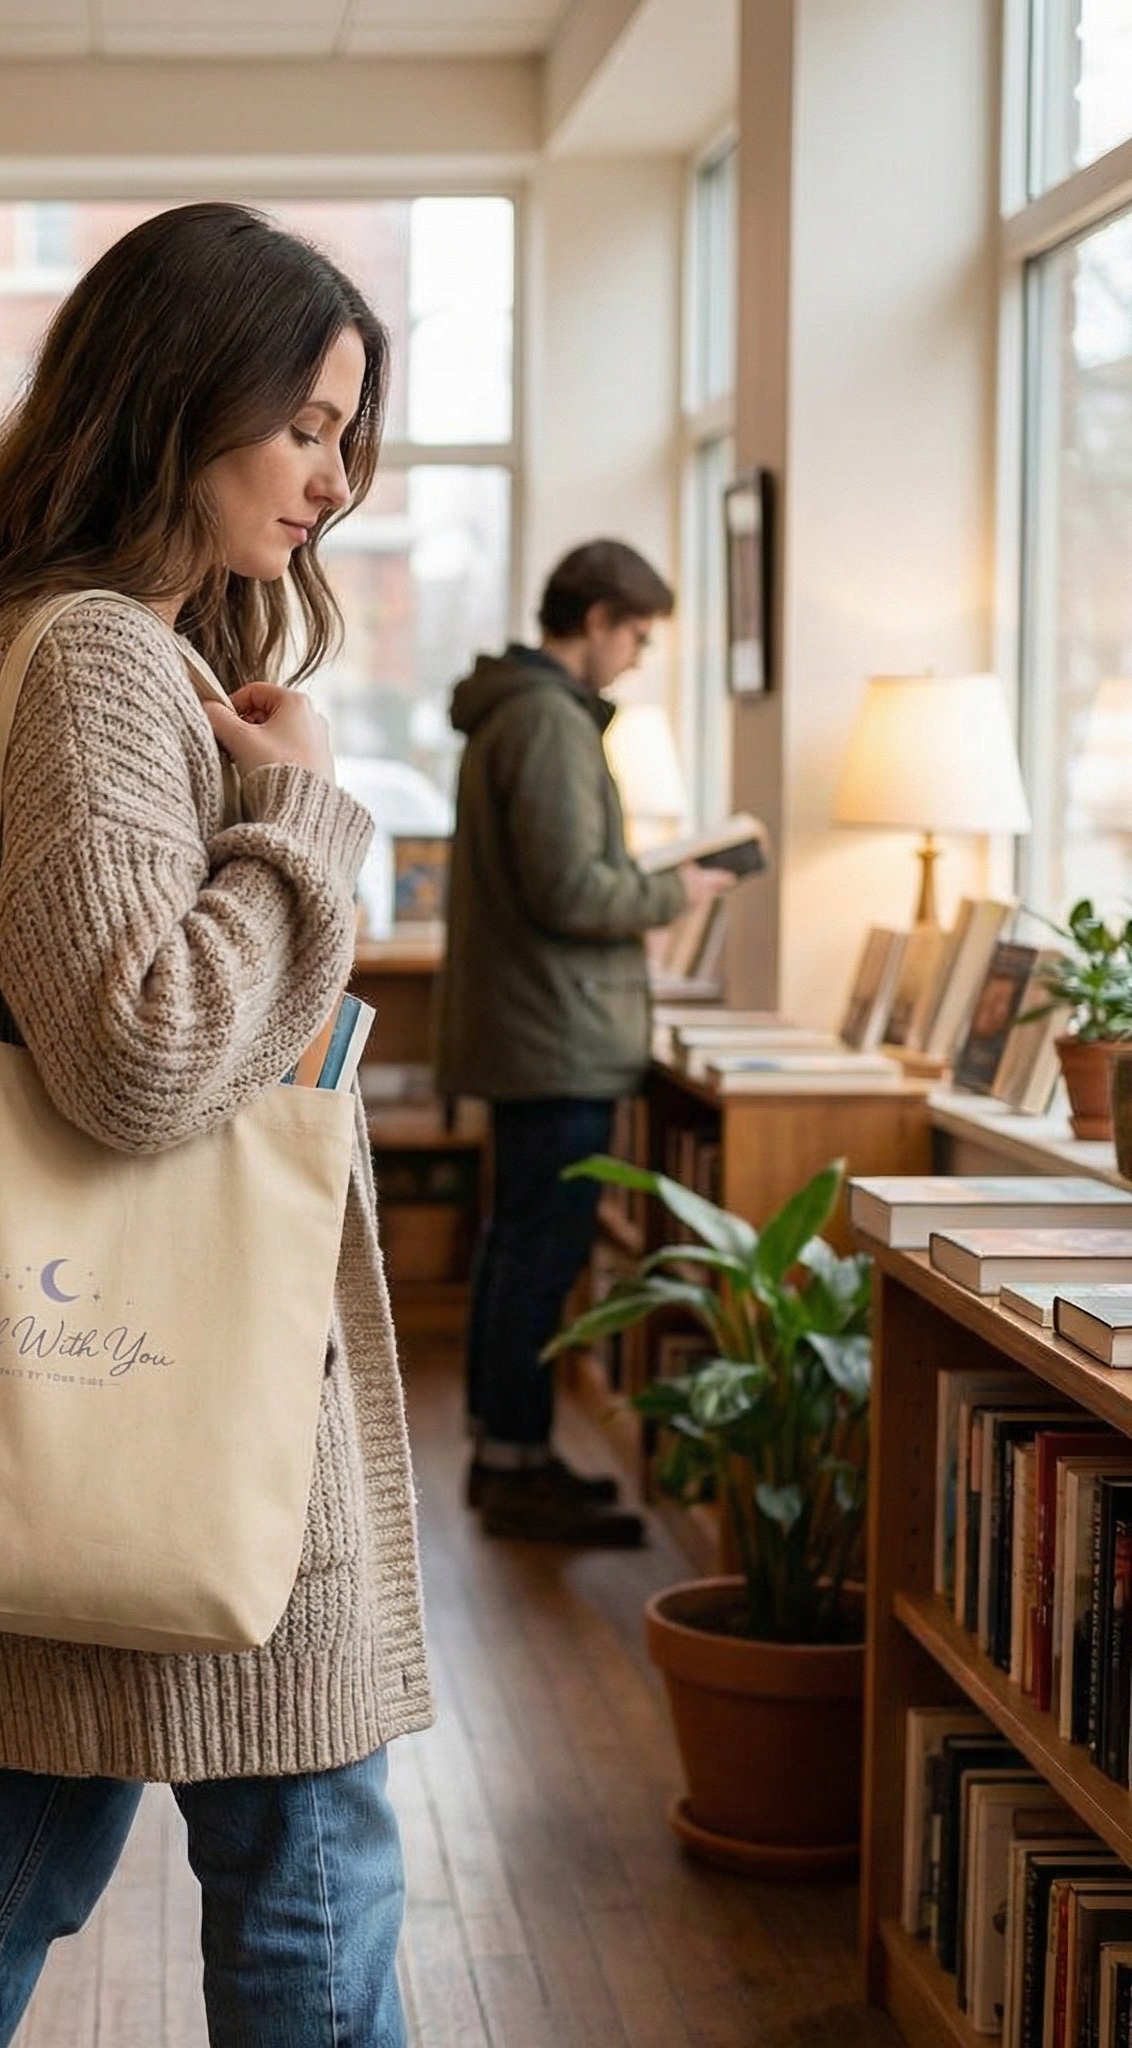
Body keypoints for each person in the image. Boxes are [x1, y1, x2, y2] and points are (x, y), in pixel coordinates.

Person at [0, 203, 434, 2048]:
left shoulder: (98, 648)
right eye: (306, 423)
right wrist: (305, 819)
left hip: (78, 1377)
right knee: (309, 1860)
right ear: (183, 395)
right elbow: (144, 1050)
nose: (332, 478)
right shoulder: (90, 658)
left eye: (345, 432)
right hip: (167, 1379)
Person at [434, 540, 736, 1547]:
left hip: (532, 1024)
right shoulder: (547, 724)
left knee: (517, 1244)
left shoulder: (511, 714)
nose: (636, 657)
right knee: (536, 1253)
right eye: (636, 635)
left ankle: (504, 1453)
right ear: (598, 618)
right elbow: (570, 890)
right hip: (554, 1031)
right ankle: (515, 1466)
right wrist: (674, 889)